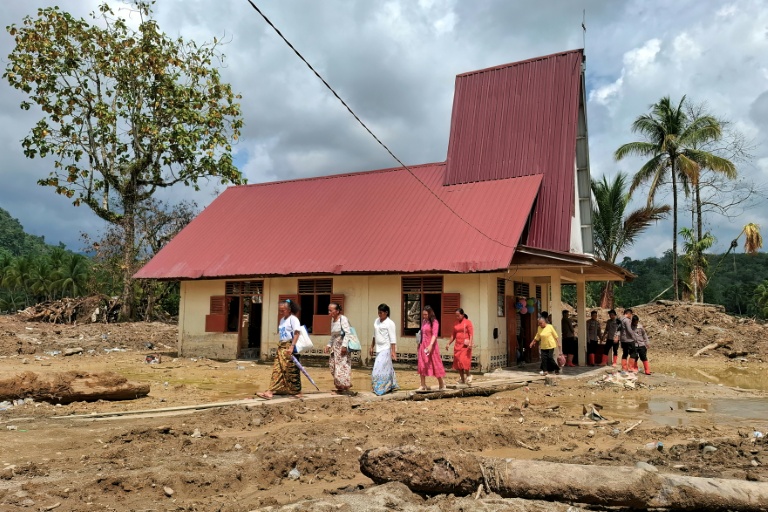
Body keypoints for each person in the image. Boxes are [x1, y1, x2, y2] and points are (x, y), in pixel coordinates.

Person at [257, 299, 302, 400]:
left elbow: (297, 333)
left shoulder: (293, 319)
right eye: (280, 310)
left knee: (291, 370)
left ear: (289, 309)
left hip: (289, 347)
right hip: (281, 347)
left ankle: (297, 391)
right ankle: (271, 391)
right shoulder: (282, 320)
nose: (281, 312)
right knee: (278, 370)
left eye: (283, 310)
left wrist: (292, 347)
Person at [370, 303, 399, 395]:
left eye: (381, 313)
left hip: (386, 348)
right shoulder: (376, 321)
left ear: (386, 313)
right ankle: (391, 385)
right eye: (378, 313)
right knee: (386, 368)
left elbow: (393, 338)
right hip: (378, 348)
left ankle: (380, 388)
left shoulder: (390, 323)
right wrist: (372, 346)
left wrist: (393, 352)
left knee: (377, 369)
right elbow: (374, 335)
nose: (379, 315)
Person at [325, 302, 353, 395]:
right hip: (335, 347)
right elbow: (333, 335)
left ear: (337, 311)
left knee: (342, 367)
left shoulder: (343, 319)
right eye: (328, 310)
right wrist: (328, 345)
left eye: (331, 310)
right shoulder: (332, 320)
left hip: (342, 347)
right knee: (333, 366)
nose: (329, 312)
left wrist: (344, 346)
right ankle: (340, 386)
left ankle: (344, 387)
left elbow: (348, 333)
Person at [417, 305, 445, 391]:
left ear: (430, 314)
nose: (424, 316)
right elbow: (421, 333)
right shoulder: (424, 322)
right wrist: (419, 344)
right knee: (421, 364)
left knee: (435, 363)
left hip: (431, 346)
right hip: (423, 345)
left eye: (426, 314)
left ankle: (441, 383)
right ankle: (423, 384)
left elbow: (434, 334)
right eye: (423, 314)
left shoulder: (434, 322)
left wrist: (430, 345)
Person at [446, 308, 474, 385]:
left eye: (458, 316)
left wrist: (470, 343)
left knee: (463, 361)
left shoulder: (468, 322)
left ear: (462, 314)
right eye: (456, 316)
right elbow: (453, 335)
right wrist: (449, 343)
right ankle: (462, 379)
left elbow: (471, 334)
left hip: (465, 346)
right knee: (458, 363)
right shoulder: (456, 323)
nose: (457, 317)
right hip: (457, 345)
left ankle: (468, 375)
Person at [619, 308, 639, 373]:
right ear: (628, 313)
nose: (631, 316)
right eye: (631, 314)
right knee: (633, 353)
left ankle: (624, 368)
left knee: (625, 353)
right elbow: (629, 330)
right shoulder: (627, 320)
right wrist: (634, 337)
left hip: (622, 340)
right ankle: (630, 367)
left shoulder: (620, 319)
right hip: (629, 339)